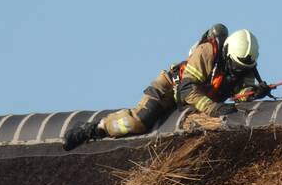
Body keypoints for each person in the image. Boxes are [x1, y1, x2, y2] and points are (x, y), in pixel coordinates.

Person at [62, 24, 269, 151]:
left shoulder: (245, 69)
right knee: (138, 122)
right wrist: (213, 108)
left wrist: (254, 93)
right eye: (235, 65)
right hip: (171, 88)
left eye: (242, 68)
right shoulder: (207, 53)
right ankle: (95, 129)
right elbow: (187, 88)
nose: (237, 71)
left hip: (197, 101)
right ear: (227, 53)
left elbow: (242, 98)